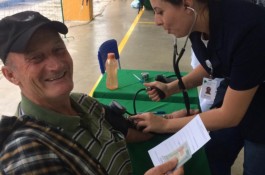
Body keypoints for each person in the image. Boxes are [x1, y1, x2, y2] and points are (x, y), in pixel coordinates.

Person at [0, 11, 183, 175]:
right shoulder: (27, 153)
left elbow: (131, 129)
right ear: (10, 75)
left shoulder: (84, 103)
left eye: (58, 49)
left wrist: (173, 119)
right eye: (36, 58)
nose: (56, 65)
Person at [131, 1, 265, 175]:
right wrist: (171, 87)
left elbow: (229, 115)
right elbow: (213, 64)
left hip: (260, 109)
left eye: (160, 12)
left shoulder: (248, 29)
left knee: (256, 167)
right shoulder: (198, 24)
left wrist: (165, 124)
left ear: (187, 4)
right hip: (236, 89)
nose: (156, 21)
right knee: (213, 154)